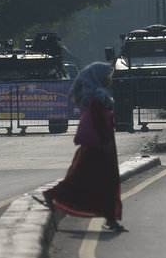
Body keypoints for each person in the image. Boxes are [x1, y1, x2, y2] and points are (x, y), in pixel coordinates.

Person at [39, 62, 126, 232]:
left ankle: (110, 218)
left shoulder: (91, 96)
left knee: (85, 178)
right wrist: (106, 142)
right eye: (105, 74)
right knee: (102, 181)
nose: (109, 77)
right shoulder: (98, 96)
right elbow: (99, 121)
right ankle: (110, 219)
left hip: (96, 145)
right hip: (101, 146)